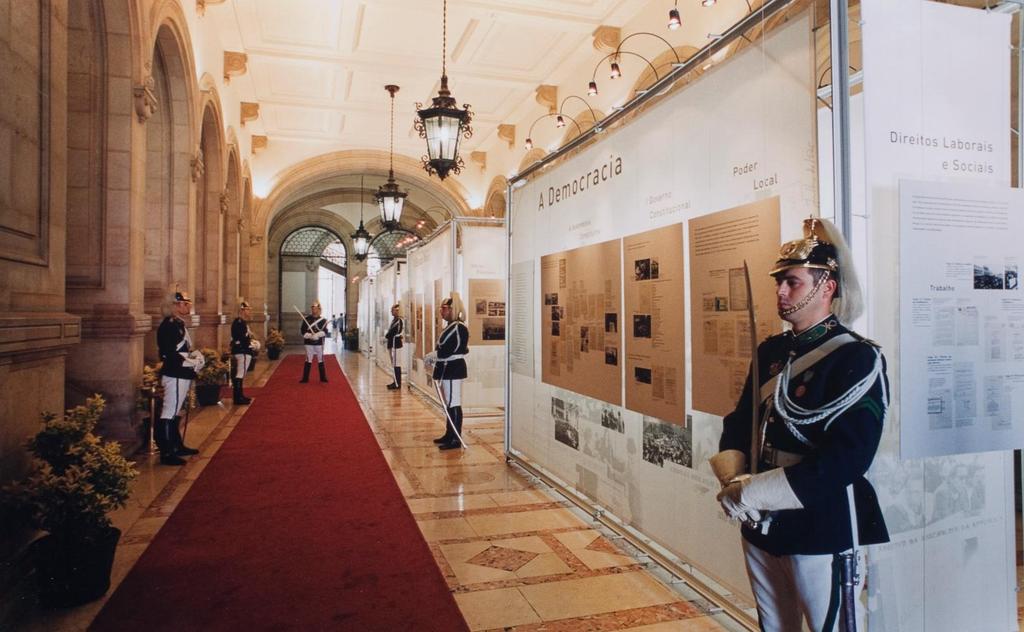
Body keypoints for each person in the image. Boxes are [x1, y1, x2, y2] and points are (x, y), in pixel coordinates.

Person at [710, 218, 890, 632]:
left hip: (820, 522)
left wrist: (754, 491)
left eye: (791, 282)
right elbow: (739, 423)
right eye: (779, 282)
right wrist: (735, 481)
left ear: (826, 286)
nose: (780, 291)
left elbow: (850, 457)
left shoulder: (857, 359)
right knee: (774, 625)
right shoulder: (772, 351)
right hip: (761, 522)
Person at [155, 286, 204, 466]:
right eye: (184, 303)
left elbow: (185, 349)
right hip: (175, 373)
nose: (188, 306)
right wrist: (190, 362)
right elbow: (169, 352)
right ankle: (167, 452)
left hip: (182, 372)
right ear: (174, 306)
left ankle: (176, 445)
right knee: (169, 411)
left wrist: (195, 360)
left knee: (176, 411)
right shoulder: (168, 326)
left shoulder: (178, 323)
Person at [427, 293, 470, 450]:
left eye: (444, 309)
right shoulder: (452, 326)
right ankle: (449, 433)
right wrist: (437, 355)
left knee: (454, 403)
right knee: (448, 404)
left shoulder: (458, 327)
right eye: (441, 308)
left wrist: (436, 355)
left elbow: (452, 349)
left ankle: (456, 438)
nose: (442, 311)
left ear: (453, 309)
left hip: (453, 368)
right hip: (447, 368)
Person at [230, 299, 260, 405]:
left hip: (244, 349)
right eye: (247, 309)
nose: (249, 311)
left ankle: (240, 396)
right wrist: (250, 344)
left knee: (241, 374)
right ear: (242, 310)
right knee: (240, 374)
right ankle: (238, 398)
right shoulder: (239, 322)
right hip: (242, 350)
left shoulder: (242, 322)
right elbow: (240, 337)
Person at [300, 301, 329, 383]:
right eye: (313, 308)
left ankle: (323, 378)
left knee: (320, 359)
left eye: (316, 308)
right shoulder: (306, 319)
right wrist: (310, 336)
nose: (314, 310)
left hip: (319, 343)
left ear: (319, 309)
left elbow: (325, 331)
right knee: (308, 359)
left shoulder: (323, 320)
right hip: (308, 342)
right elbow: (302, 331)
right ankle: (305, 378)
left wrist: (318, 335)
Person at [384, 303, 404, 390]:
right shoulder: (394, 320)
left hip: (396, 344)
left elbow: (392, 332)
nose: (392, 312)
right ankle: (395, 381)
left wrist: (387, 335)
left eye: (393, 310)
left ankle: (397, 383)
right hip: (392, 344)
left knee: (396, 364)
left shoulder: (399, 321)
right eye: (392, 310)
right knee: (394, 364)